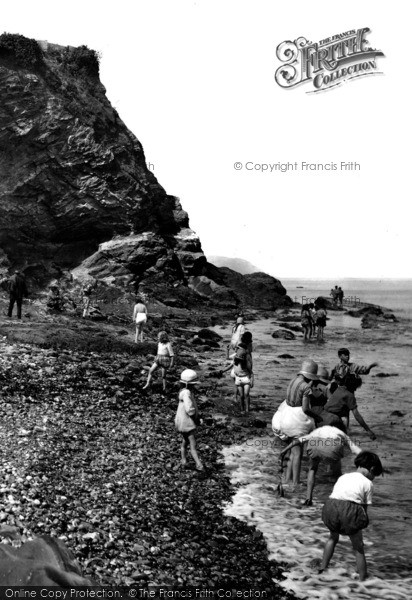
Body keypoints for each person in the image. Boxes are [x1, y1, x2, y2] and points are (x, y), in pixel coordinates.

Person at [319, 451, 384, 581]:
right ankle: (362, 579)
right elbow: (363, 509)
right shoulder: (368, 483)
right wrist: (362, 524)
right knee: (358, 546)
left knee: (332, 538)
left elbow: (337, 495)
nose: (373, 478)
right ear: (372, 469)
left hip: (330, 507)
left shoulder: (343, 477)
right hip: (349, 510)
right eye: (374, 475)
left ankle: (322, 568)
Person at [280, 425, 362, 506]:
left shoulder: (317, 431)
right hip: (332, 446)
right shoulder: (342, 433)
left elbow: (298, 440)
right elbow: (356, 450)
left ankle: (308, 499)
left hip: (314, 444)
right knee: (337, 471)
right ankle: (338, 498)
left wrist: (285, 450)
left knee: (312, 469)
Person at [272, 360, 322, 486]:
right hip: (297, 420)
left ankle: (287, 479)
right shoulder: (305, 386)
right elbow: (305, 408)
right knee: (298, 454)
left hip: (285, 416)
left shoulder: (292, 381)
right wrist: (317, 417)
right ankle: (296, 483)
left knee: (292, 452)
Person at [324, 373, 377, 439]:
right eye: (356, 387)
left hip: (323, 416)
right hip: (331, 420)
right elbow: (357, 415)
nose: (356, 389)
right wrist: (368, 430)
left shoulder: (339, 389)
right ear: (353, 386)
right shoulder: (349, 395)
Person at [175, 369, 204, 471]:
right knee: (193, 444)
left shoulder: (184, 391)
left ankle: (184, 460)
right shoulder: (187, 393)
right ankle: (199, 464)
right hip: (187, 421)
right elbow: (189, 409)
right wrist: (196, 419)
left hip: (181, 421)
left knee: (185, 442)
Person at [221, 332, 254, 413]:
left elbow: (250, 370)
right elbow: (231, 364)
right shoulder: (240, 355)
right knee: (243, 395)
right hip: (239, 376)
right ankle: (242, 408)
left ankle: (245, 409)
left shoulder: (241, 356)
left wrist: (252, 379)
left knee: (244, 394)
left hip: (243, 376)